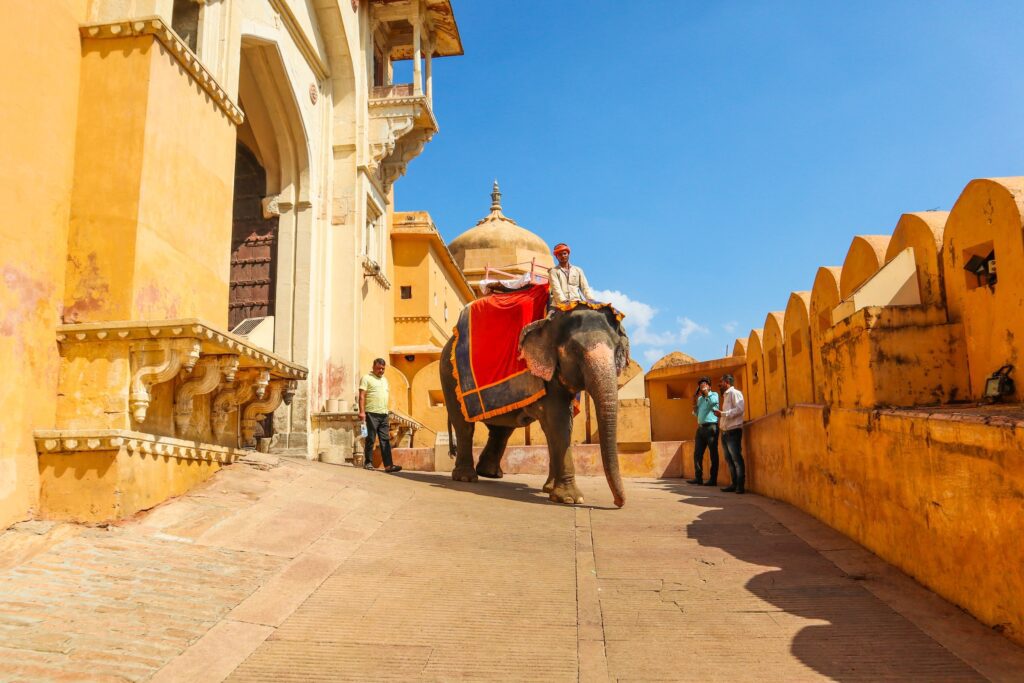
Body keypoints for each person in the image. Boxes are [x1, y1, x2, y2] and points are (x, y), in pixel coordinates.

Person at [358, 358, 402, 473]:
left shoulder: (385, 380)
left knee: (385, 440)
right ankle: (368, 463)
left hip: (383, 414)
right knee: (370, 438)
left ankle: (388, 466)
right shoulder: (366, 378)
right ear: (373, 367)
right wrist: (362, 412)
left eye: (383, 368)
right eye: (379, 368)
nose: (381, 370)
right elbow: (362, 396)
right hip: (371, 413)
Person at [714, 374, 745, 493]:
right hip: (725, 432)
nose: (719, 384)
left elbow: (740, 409)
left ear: (727, 382)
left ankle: (740, 486)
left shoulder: (734, 393)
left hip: (733, 431)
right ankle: (734, 483)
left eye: (721, 382)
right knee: (729, 459)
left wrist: (723, 414)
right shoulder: (726, 395)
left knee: (736, 459)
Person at [686, 376, 720, 486]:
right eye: (701, 384)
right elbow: (696, 413)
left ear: (709, 386)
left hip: (711, 427)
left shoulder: (714, 395)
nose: (702, 385)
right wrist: (694, 402)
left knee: (713, 454)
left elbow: (713, 402)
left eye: (705, 384)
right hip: (700, 428)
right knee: (697, 454)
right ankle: (698, 477)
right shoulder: (700, 399)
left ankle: (713, 479)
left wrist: (706, 393)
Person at [548, 243, 595, 307]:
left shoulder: (578, 270)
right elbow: (556, 289)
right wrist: (563, 301)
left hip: (577, 302)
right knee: (549, 316)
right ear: (556, 257)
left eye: (564, 253)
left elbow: (585, 287)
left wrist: (590, 299)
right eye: (560, 254)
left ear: (568, 254)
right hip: (559, 305)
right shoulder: (553, 271)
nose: (563, 256)